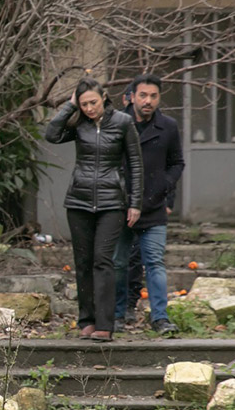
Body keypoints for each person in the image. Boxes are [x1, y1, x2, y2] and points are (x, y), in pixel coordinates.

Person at [44, 77, 143, 343]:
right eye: (84, 103)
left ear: (104, 97)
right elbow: (51, 134)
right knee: (83, 262)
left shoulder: (123, 122)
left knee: (103, 260)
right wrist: (70, 105)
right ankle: (86, 320)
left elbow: (135, 163)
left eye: (93, 102)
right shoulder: (79, 124)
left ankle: (104, 324)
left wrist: (135, 203)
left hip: (112, 201)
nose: (89, 108)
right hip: (78, 200)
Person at [114, 73, 185, 335]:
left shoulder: (168, 126)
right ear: (132, 96)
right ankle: (117, 315)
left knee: (154, 263)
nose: (148, 101)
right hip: (120, 207)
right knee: (119, 263)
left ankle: (160, 318)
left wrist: (164, 190)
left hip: (153, 207)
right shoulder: (118, 124)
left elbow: (176, 163)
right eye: (143, 95)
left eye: (153, 96)